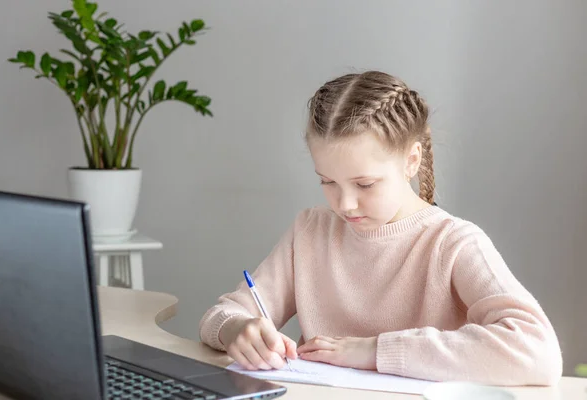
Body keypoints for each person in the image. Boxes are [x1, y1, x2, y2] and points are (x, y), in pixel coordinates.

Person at [199, 70, 562, 385]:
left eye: (365, 184)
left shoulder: (453, 243)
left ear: (412, 160)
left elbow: (538, 352)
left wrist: (375, 351)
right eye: (327, 181)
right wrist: (237, 329)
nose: (344, 205)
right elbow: (221, 316)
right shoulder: (310, 231)